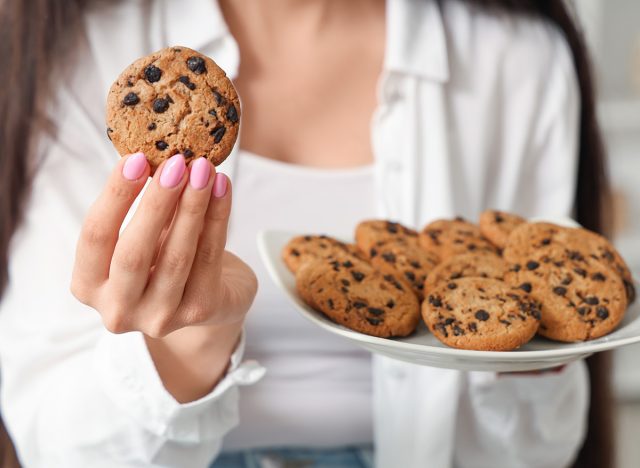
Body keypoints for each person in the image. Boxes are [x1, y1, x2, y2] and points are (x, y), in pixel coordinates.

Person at [0, 0, 614, 467]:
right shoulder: (75, 52)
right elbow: (58, 445)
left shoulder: (519, 61)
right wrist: (192, 341)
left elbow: (539, 446)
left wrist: (531, 353)